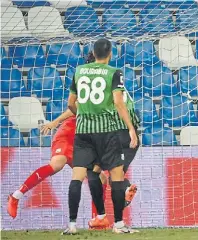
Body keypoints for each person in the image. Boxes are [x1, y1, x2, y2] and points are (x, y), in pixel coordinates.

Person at [63, 38, 137, 235]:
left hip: (83, 132)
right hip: (106, 131)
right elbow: (118, 102)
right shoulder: (114, 72)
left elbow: (71, 102)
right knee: (117, 174)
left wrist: (82, 115)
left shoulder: (79, 70)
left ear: (93, 54)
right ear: (110, 53)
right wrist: (130, 127)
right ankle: (119, 224)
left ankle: (71, 225)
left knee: (78, 177)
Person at [7, 110, 108, 219]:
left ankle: (97, 220)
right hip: (68, 133)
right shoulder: (97, 98)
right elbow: (74, 107)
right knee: (57, 164)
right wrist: (55, 122)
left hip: (82, 143)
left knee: (100, 178)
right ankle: (16, 196)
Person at [85, 51, 141, 230]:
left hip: (113, 134)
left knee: (93, 172)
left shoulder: (96, 85)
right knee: (114, 177)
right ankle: (124, 192)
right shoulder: (116, 78)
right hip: (131, 135)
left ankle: (102, 217)